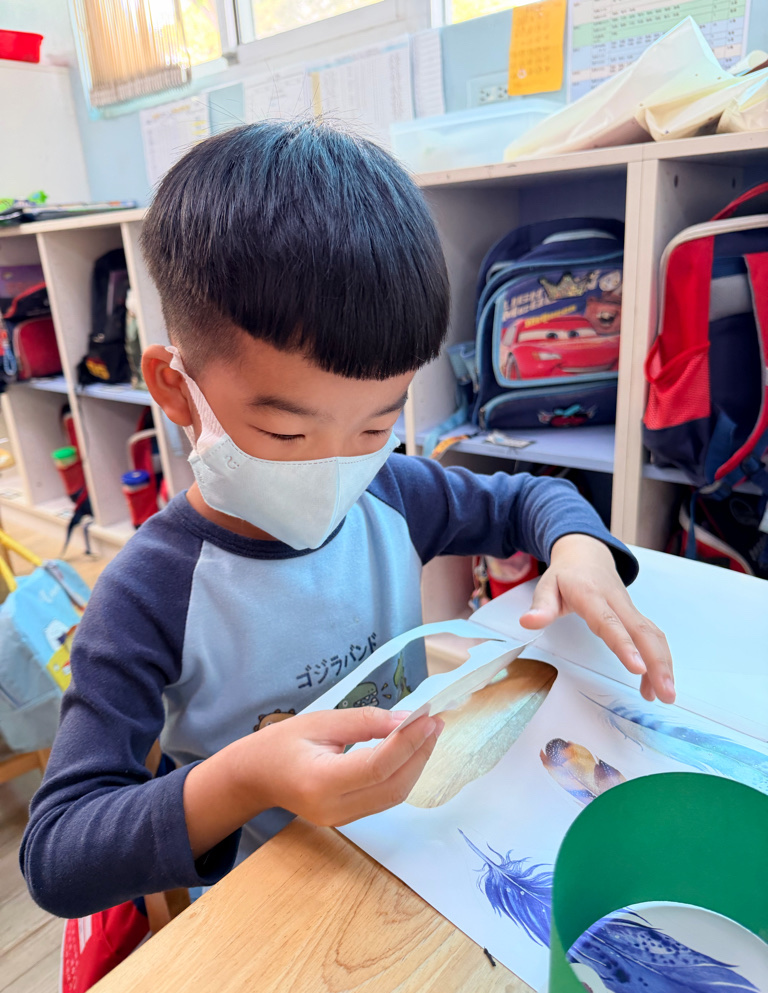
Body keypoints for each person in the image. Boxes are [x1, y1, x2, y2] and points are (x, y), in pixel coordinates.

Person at [21, 121, 674, 919]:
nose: (333, 470)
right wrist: (245, 778)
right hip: (274, 905)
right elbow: (57, 855)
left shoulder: (390, 493)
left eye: (375, 426)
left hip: (417, 856)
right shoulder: (149, 593)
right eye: (284, 434)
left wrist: (579, 548)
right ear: (175, 387)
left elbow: (530, 498)